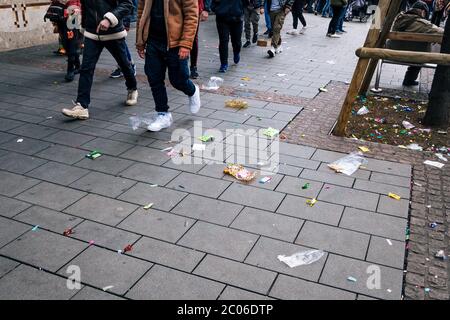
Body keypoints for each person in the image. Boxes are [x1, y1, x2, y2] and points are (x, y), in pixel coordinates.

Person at [61, 0, 138, 120]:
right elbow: (86, 7)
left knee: (124, 64)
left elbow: (127, 4)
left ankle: (132, 88)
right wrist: (83, 28)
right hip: (92, 33)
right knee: (86, 68)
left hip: (113, 32)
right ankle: (81, 106)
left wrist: (108, 19)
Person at [136, 0, 201, 132]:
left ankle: (192, 90)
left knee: (178, 80)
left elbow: (191, 15)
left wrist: (186, 44)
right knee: (154, 78)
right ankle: (163, 114)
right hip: (153, 41)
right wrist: (140, 41)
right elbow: (141, 13)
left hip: (175, 43)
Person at [387, 1, 444, 86]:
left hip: (390, 53)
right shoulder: (422, 24)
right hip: (413, 57)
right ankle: (409, 80)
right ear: (423, 12)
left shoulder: (399, 19)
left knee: (415, 49)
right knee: (420, 54)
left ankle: (409, 80)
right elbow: (442, 33)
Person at [210, 0, 247, 72]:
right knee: (223, 41)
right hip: (222, 18)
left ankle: (236, 52)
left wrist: (240, 9)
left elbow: (246, 2)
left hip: (237, 18)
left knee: (236, 41)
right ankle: (223, 64)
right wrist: (217, 9)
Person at [110, 13, 137, 78]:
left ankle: (129, 65)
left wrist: (125, 24)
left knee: (119, 42)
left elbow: (126, 5)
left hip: (117, 20)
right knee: (115, 43)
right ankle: (124, 65)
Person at [190, 0, 211, 79]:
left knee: (193, 37)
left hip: (195, 8)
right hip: (175, 9)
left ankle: (193, 67)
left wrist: (206, 9)